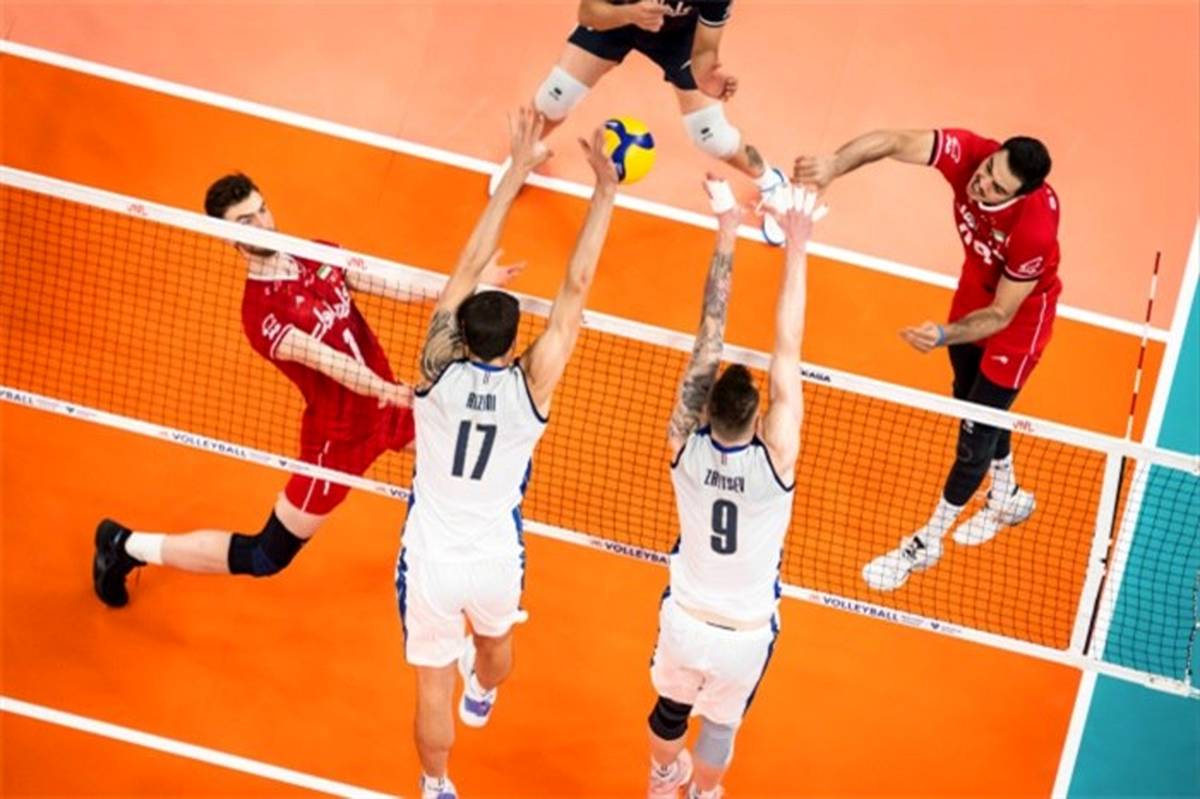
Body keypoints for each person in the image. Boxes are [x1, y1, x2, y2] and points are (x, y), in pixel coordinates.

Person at [91, 173, 520, 607]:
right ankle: (125, 545)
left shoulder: (316, 254)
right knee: (266, 555)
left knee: (466, 452)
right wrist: (386, 390)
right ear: (228, 236)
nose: (263, 224)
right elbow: (329, 362)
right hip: (339, 440)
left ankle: (465, 566)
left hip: (387, 405)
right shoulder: (262, 314)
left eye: (262, 210)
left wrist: (472, 282)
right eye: (246, 221)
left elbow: (399, 286)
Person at [400, 108, 618, 799]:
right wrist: (604, 194)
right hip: (496, 556)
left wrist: (517, 170)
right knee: (494, 651)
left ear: (460, 333)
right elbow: (575, 291)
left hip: (432, 557)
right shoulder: (532, 384)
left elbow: (465, 268)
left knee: (430, 682)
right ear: (513, 339)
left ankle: (436, 785)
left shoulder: (435, 367)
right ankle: (484, 690)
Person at [795, 129, 1059, 591]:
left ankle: (927, 541)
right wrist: (835, 164)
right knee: (970, 403)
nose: (982, 184)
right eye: (988, 170)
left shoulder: (1033, 231)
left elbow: (1001, 314)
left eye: (998, 187)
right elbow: (895, 141)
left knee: (974, 439)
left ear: (1019, 194)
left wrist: (942, 335)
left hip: (1017, 322)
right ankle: (1008, 496)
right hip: (973, 295)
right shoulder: (971, 154)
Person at [644, 178, 818, 798]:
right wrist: (796, 246)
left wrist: (727, 230)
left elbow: (708, 337)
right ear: (757, 419)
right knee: (720, 724)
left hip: (686, 617)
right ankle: (703, 792)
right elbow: (788, 349)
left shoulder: (683, 447)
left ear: (707, 411)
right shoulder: (777, 459)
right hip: (745, 631)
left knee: (670, 709)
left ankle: (663, 778)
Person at [491, 0, 791, 243]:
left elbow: (705, 49)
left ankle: (771, 181)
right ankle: (523, 156)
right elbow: (588, 11)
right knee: (554, 97)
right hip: (619, 18)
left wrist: (705, 75)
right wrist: (630, 14)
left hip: (679, 40)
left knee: (712, 136)